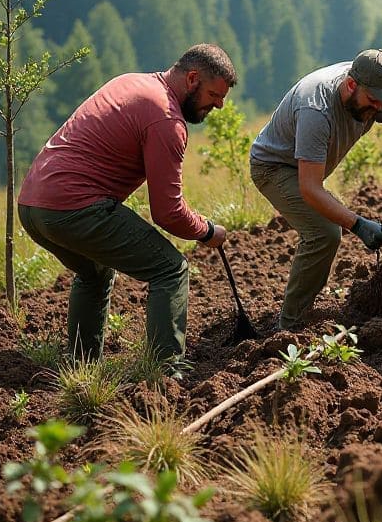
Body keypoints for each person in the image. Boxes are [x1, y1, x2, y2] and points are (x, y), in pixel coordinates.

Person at [18, 44, 238, 367]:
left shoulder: (133, 82)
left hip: (33, 206)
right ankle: (165, 373)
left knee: (94, 272)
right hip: (73, 207)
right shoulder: (166, 119)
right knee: (170, 269)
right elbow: (168, 212)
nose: (218, 106)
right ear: (192, 79)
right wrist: (207, 231)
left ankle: (82, 365)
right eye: (214, 95)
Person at [249, 49, 382, 331]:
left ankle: (298, 316)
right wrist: (358, 224)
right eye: (372, 101)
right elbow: (311, 189)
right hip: (274, 167)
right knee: (324, 233)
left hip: (306, 169)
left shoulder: (376, 92)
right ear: (351, 85)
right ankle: (290, 327)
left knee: (326, 229)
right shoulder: (316, 108)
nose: (377, 109)